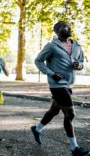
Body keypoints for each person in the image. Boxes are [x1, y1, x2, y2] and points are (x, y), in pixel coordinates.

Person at [31, 21, 89, 156]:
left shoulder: (77, 45)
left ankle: (37, 129)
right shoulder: (51, 46)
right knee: (70, 114)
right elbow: (38, 60)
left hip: (69, 84)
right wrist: (51, 73)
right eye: (64, 26)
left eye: (69, 26)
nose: (68, 28)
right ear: (56, 30)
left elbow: (81, 62)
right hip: (57, 85)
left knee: (54, 111)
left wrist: (78, 65)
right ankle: (75, 148)